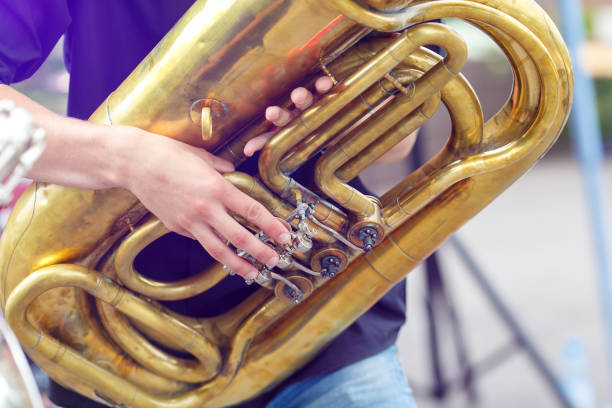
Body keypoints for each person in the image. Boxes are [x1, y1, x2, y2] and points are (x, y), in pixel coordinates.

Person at [0, 1, 419, 407]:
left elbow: (402, 139)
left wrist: (336, 112)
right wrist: (127, 160)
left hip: (325, 319)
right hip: (115, 340)